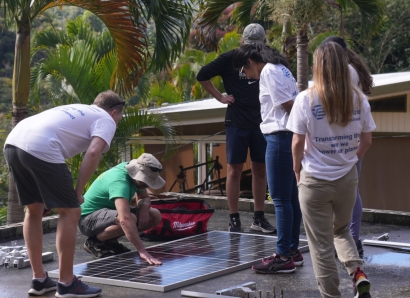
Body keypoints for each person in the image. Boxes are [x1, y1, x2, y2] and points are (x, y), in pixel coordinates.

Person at [4, 90, 125, 297]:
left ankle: (40, 280)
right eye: (120, 117)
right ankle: (67, 283)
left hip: (13, 142)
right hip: (40, 146)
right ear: (114, 112)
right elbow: (94, 152)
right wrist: (77, 193)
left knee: (33, 210)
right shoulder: (106, 119)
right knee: (70, 211)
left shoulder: (81, 110)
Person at [287, 42, 376, 298]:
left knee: (321, 246)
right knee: (342, 230)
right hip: (347, 179)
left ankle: (331, 295)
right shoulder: (359, 98)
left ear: (318, 67)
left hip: (314, 180)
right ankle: (357, 273)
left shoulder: (306, 98)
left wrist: (296, 170)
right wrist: (350, 160)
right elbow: (367, 140)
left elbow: (297, 142)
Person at [196, 23, 275, 234]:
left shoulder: (267, 58)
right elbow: (202, 75)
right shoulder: (230, 58)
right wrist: (220, 97)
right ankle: (234, 218)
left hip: (261, 121)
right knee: (234, 171)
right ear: (242, 42)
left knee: (260, 169)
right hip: (237, 121)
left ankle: (259, 218)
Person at [232, 42, 303, 274]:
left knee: (281, 200)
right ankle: (292, 250)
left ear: (250, 62)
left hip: (279, 137)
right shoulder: (281, 67)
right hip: (288, 135)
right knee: (291, 198)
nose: (246, 75)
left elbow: (288, 105)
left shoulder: (269, 72)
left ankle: (283, 256)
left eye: (244, 70)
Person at [323, 36, 374, 258]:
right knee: (351, 189)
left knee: (349, 191)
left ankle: (352, 239)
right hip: (354, 136)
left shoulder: (346, 71)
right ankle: (352, 238)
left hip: (346, 139)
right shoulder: (353, 68)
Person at [78, 153, 164, 265]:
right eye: (146, 181)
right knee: (130, 218)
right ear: (137, 174)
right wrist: (142, 251)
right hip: (87, 219)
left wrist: (144, 206)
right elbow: (124, 220)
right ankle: (94, 242)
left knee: (154, 215)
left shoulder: (135, 178)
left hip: (108, 215)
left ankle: (109, 240)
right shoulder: (120, 182)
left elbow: (144, 198)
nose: (147, 185)